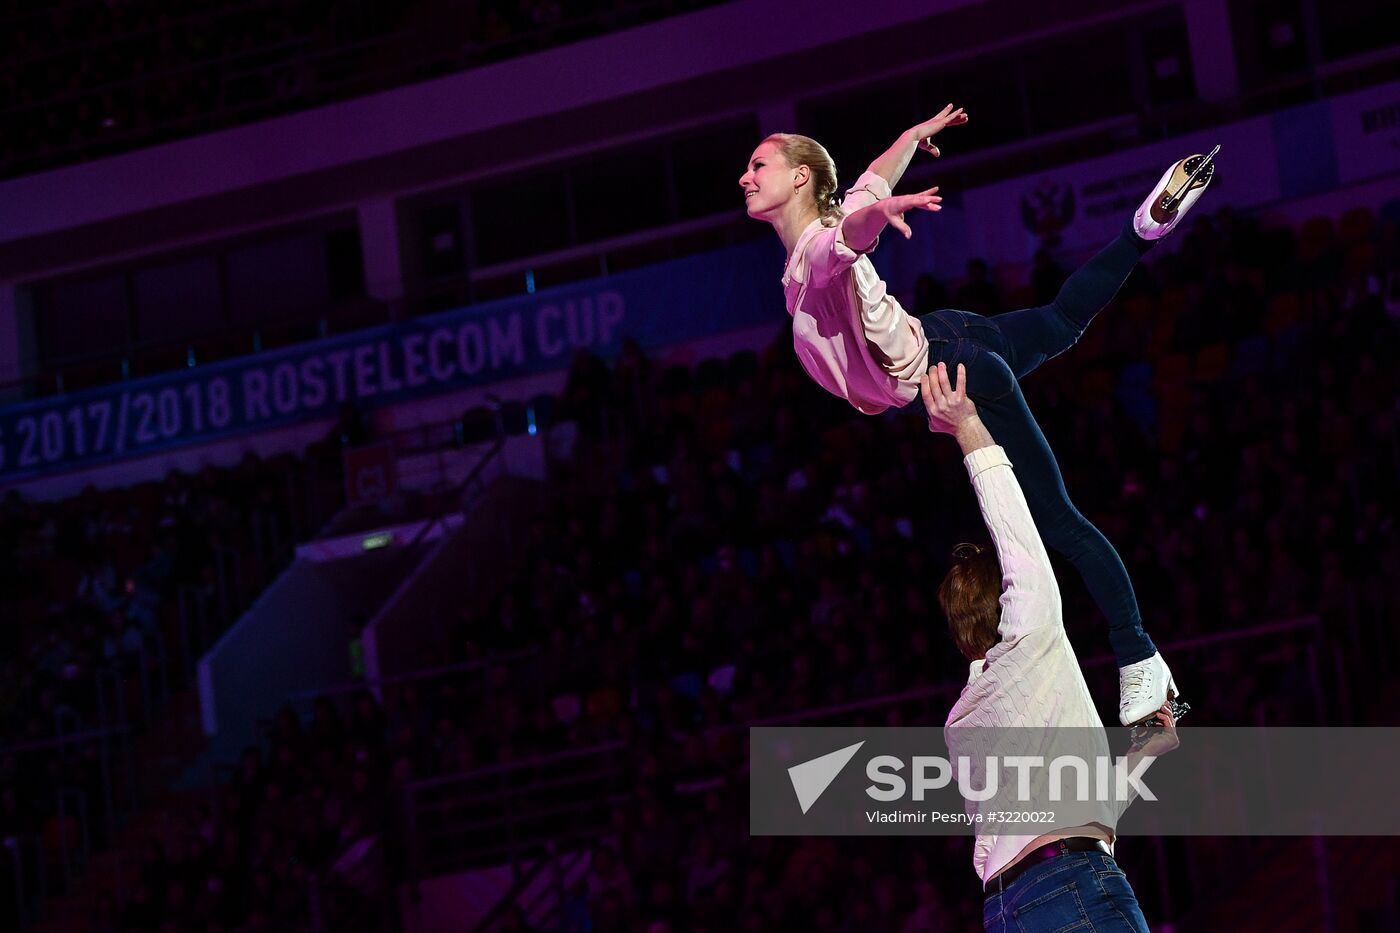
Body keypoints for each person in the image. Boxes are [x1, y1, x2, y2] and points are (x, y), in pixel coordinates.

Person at [739, 113, 1216, 723]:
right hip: (945, 330)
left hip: (955, 367)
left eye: (759, 165)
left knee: (1061, 526)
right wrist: (910, 140)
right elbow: (870, 183)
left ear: (800, 176)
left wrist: (875, 220)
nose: (746, 177)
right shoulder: (820, 229)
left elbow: (848, 236)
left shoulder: (815, 251)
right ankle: (1141, 230)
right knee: (1060, 323)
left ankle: (1141, 660)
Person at [918, 361, 1181, 931]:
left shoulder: (962, 723)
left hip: (1004, 910)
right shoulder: (1032, 634)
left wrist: (1144, 753)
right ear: (1007, 604)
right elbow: (1016, 533)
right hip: (1073, 885)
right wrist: (968, 429)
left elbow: (1072, 809)